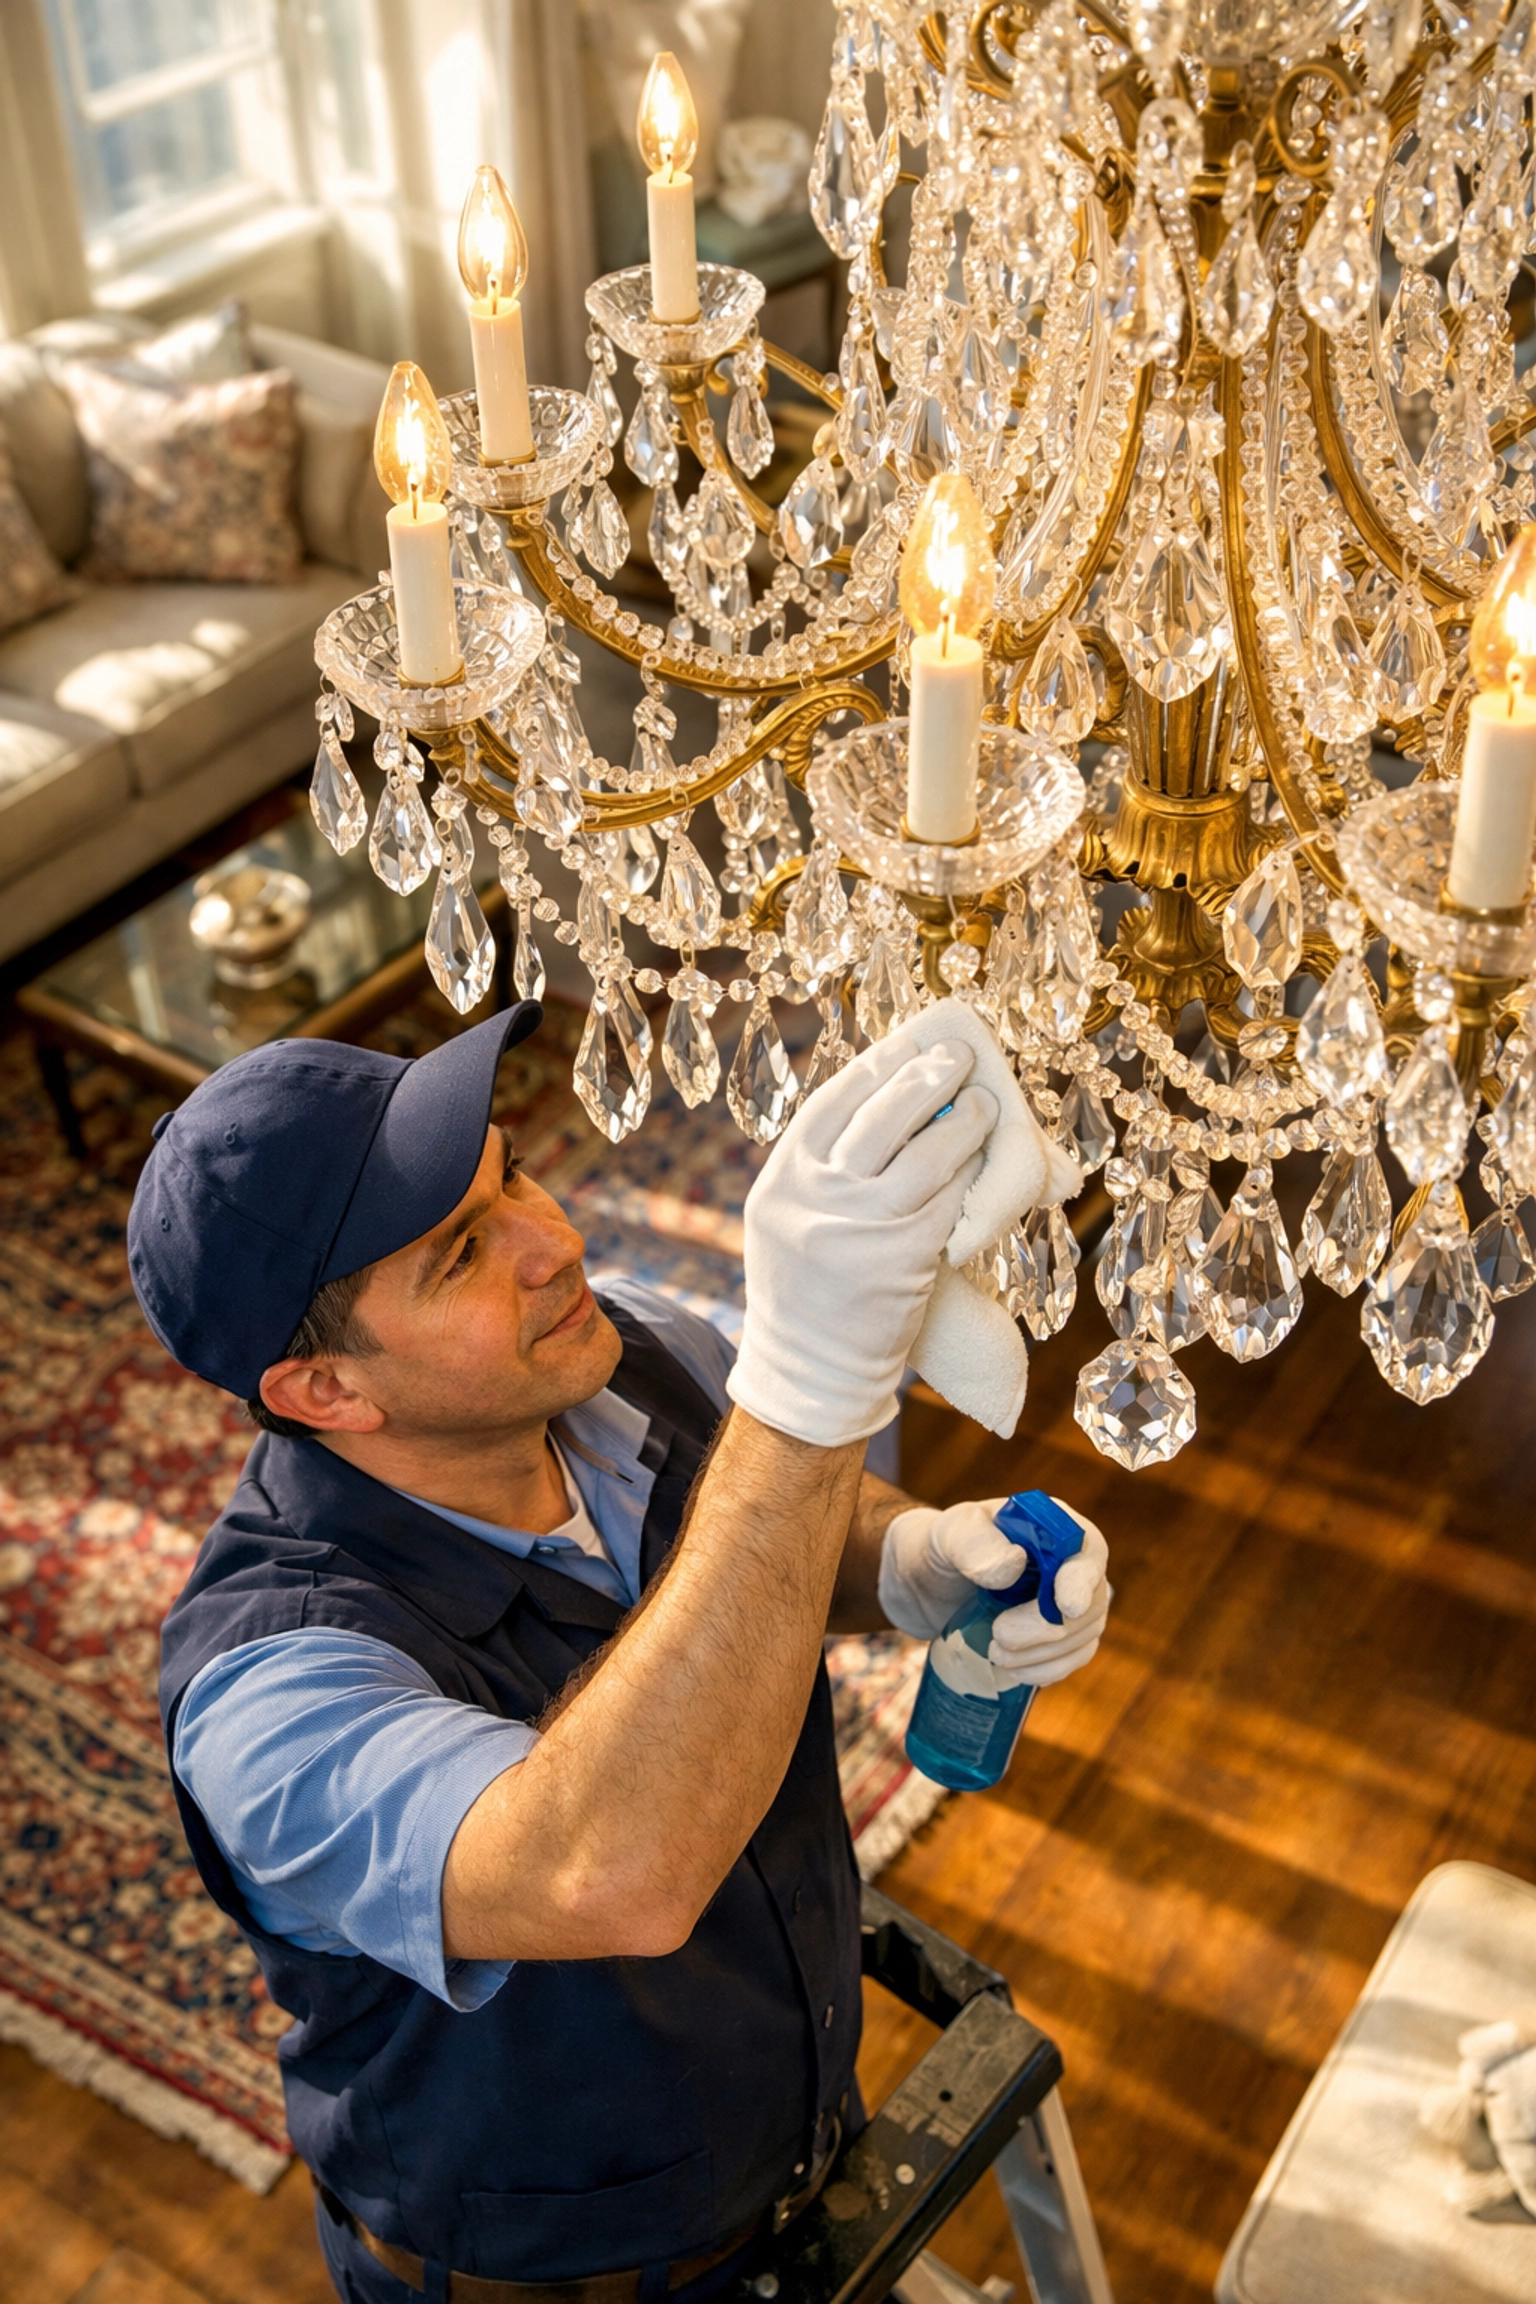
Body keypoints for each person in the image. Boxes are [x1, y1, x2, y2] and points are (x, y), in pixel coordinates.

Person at [129, 999, 1111, 2304]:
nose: (555, 1241)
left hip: (800, 2118)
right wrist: (809, 1394)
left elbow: (766, 1541)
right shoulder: (273, 1696)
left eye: (514, 1174)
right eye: (462, 1251)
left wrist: (919, 1560)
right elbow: (606, 1870)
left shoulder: (624, 1354)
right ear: (326, 1393)